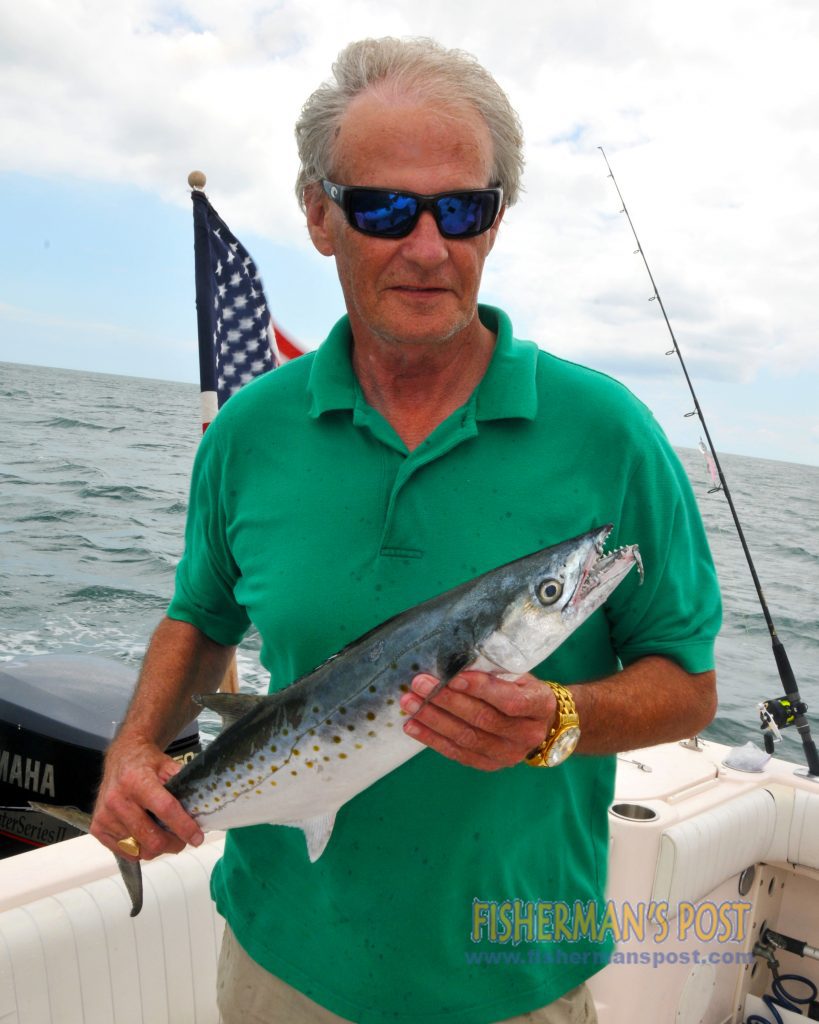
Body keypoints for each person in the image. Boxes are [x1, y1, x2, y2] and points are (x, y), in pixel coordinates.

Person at [91, 36, 721, 1024]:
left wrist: (562, 720)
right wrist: (134, 750)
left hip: (515, 976)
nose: (427, 246)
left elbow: (689, 686)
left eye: (461, 209)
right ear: (318, 215)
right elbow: (199, 614)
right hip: (280, 962)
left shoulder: (613, 436)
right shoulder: (250, 432)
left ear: (494, 222)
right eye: (384, 207)